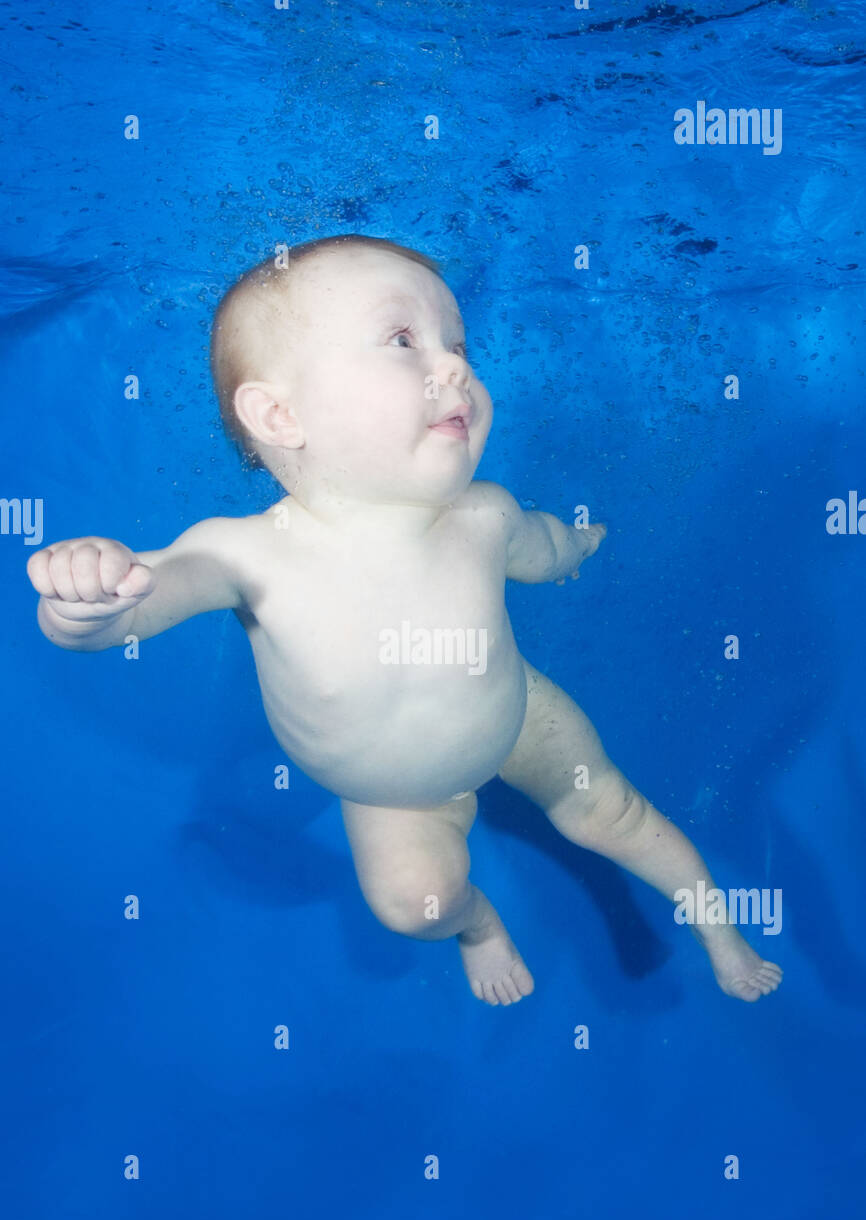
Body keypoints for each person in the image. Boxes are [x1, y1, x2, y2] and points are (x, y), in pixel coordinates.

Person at [27, 234, 783, 1006]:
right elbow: (144, 601)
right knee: (408, 903)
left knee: (612, 809)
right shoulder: (246, 553)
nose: (456, 366)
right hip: (388, 791)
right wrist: (85, 605)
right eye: (403, 341)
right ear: (280, 414)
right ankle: (478, 925)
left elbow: (546, 548)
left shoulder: (482, 517)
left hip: (515, 716)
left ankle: (720, 932)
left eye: (457, 343)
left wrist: (581, 543)